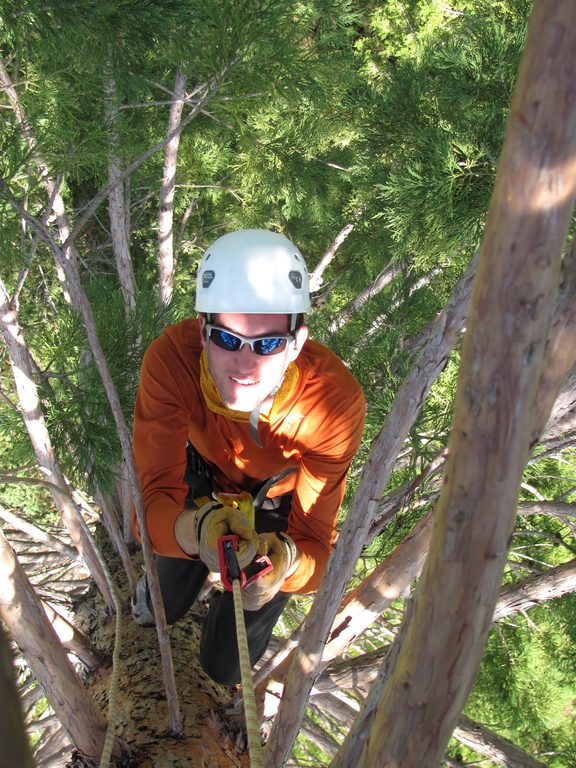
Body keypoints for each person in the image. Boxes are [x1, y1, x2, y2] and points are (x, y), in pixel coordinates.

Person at [131, 228, 365, 685]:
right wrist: (192, 530)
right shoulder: (171, 361)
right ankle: (165, 587)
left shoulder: (333, 404)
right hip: (201, 479)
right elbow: (151, 501)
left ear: (296, 343)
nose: (246, 364)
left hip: (278, 509)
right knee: (162, 599)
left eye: (267, 345)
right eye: (226, 338)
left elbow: (316, 544)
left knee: (225, 665)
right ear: (202, 331)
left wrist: (283, 564)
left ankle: (235, 594)